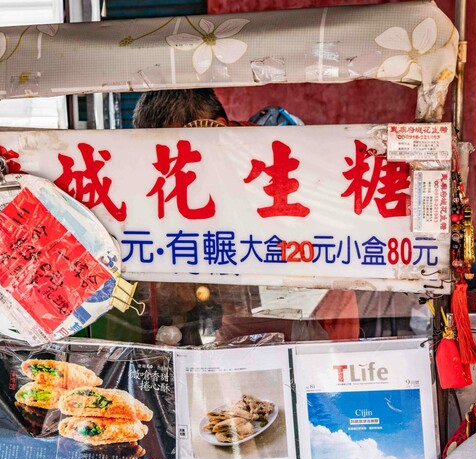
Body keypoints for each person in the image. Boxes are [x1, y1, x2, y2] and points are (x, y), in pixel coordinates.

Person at [132, 88, 359, 342]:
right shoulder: (188, 172)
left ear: (213, 128)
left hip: (315, 323)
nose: (172, 165)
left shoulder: (273, 160)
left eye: (177, 149)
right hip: (238, 324)